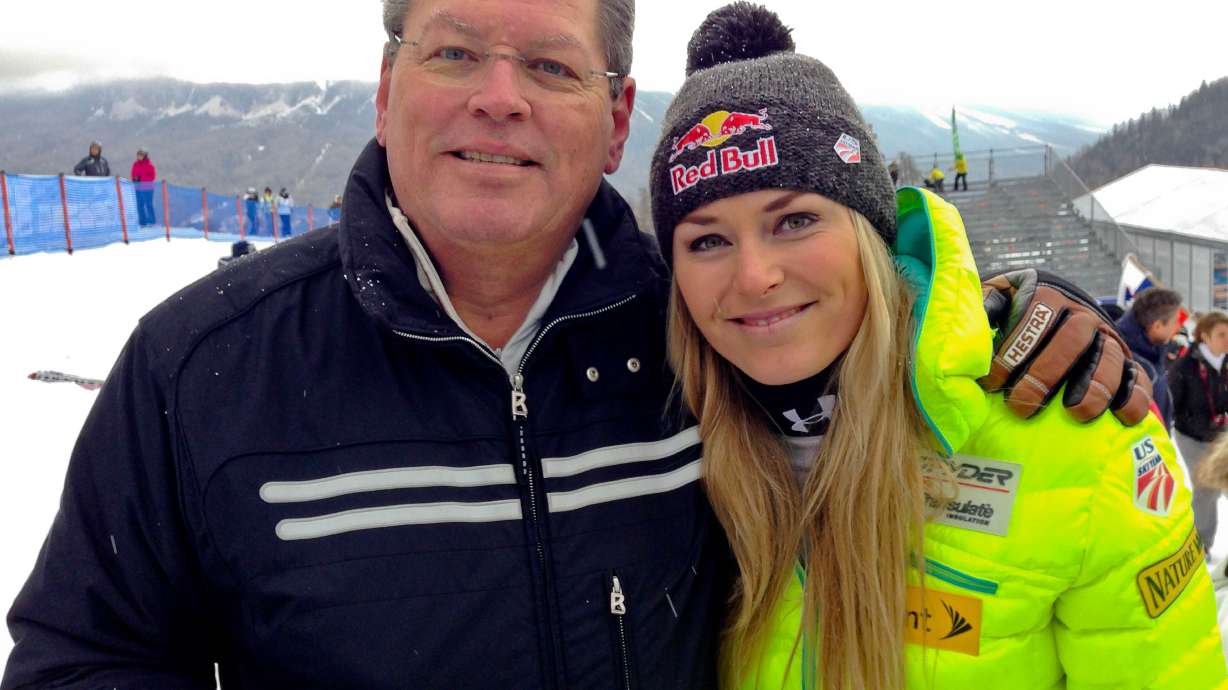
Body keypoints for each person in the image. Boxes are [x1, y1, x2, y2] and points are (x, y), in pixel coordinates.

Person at [0, 0, 1149, 686]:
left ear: (613, 120)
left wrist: (1006, 314)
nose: (498, 97)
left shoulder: (706, 334)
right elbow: (80, 658)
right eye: (455, 51)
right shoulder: (200, 366)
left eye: (550, 64)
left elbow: (872, 362)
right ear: (387, 83)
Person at [647, 4, 1222, 689]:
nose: (754, 276)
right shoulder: (662, 443)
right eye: (707, 239)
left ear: (872, 233)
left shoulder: (1072, 432)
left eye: (796, 220)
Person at [1170, 309, 1228, 554]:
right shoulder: (1186, 364)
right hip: (1192, 437)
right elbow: (1174, 403)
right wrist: (1196, 423)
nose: (1227, 340)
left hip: (1221, 435)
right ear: (1205, 336)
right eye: (1222, 334)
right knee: (1207, 488)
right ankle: (1200, 548)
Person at [1118, 286, 1184, 426]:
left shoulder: (1151, 350)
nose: (1178, 327)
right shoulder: (1141, 369)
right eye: (1176, 321)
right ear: (1157, 326)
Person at [130, 148, 157, 227]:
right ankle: (142, 222)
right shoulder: (135, 164)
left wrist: (141, 179)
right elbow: (133, 174)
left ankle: (152, 222)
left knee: (148, 204)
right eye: (138, 155)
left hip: (148, 188)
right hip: (138, 188)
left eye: (141, 155)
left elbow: (152, 177)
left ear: (145, 156)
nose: (139, 156)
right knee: (139, 205)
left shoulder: (150, 165)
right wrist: (134, 178)